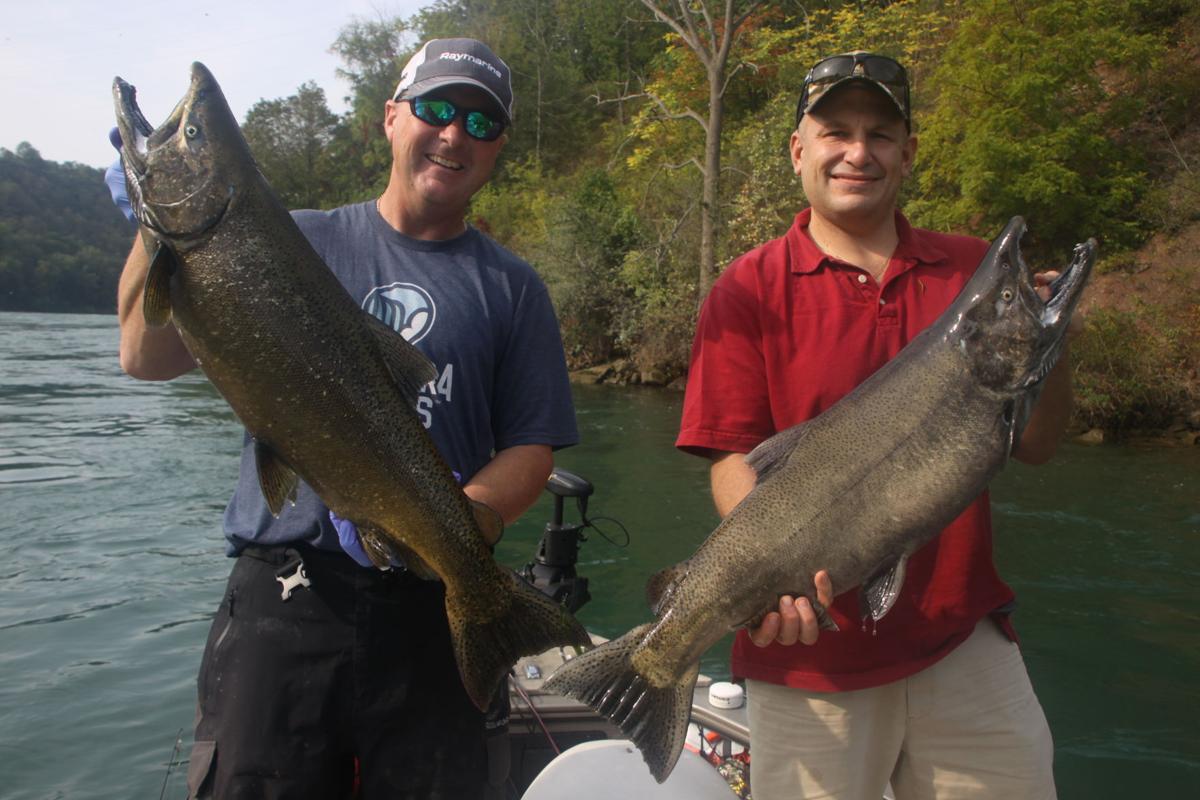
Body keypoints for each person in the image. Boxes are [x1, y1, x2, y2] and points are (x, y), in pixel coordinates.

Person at [110, 38, 578, 799]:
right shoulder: (287, 240)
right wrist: (150, 223)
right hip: (284, 598)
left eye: (479, 122)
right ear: (390, 119)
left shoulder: (514, 289)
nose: (453, 132)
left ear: (496, 150)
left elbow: (531, 445)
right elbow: (144, 357)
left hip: (430, 605)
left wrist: (464, 535)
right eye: (434, 108)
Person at [676, 51, 1076, 800]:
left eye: (881, 134)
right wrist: (777, 577)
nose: (858, 152)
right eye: (835, 132)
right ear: (799, 150)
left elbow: (1041, 445)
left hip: (964, 643)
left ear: (908, 153)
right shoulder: (745, 289)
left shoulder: (971, 275)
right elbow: (734, 460)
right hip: (808, 660)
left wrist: (1047, 346)